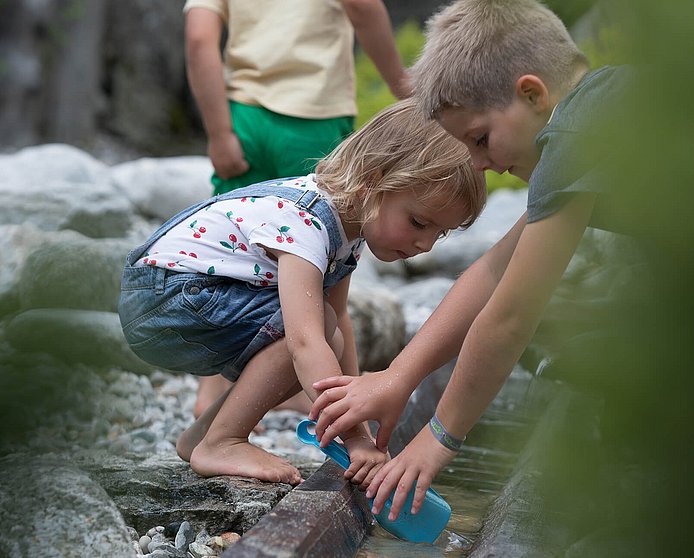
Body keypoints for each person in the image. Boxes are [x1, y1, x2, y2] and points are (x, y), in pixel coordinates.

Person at [309, 0, 634, 519]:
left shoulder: (570, 137)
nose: (485, 165)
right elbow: (491, 271)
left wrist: (440, 436)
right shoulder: (598, 120)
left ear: (532, 94)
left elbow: (508, 318)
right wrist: (398, 377)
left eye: (481, 139)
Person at [117, 99, 487, 484]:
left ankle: (203, 437)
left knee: (331, 333)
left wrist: (358, 412)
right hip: (164, 300)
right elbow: (306, 343)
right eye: (418, 222)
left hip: (183, 301)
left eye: (438, 234)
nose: (425, 245)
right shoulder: (306, 222)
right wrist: (355, 437)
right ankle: (224, 441)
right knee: (312, 332)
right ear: (373, 183)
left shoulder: (349, 230)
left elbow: (339, 323)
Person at [184, 0, 411, 418]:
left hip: (243, 117)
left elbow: (200, 38)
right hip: (312, 115)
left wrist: (218, 132)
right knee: (320, 277)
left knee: (229, 263)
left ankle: (212, 397)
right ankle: (320, 393)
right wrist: (407, 92)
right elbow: (363, 7)